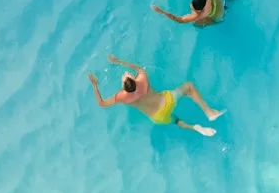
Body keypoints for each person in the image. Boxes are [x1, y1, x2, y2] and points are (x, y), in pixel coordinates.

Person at [89, 55, 224, 136]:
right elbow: (136, 68)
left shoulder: (122, 97)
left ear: (124, 88)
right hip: (167, 101)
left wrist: (95, 85)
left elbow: (102, 103)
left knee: (176, 121)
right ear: (133, 79)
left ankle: (194, 128)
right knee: (188, 87)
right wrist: (117, 61)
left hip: (158, 117)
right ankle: (209, 112)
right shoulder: (142, 77)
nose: (125, 74)